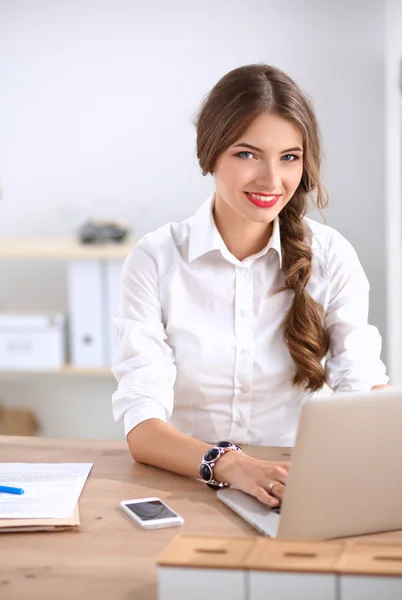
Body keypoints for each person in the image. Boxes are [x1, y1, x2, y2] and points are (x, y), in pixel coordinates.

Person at [111, 64, 388, 507]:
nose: (271, 180)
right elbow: (142, 426)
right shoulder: (156, 259)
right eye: (247, 154)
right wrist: (232, 465)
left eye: (289, 157)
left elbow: (360, 384)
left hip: (297, 488)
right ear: (212, 152)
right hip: (186, 487)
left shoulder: (332, 256)